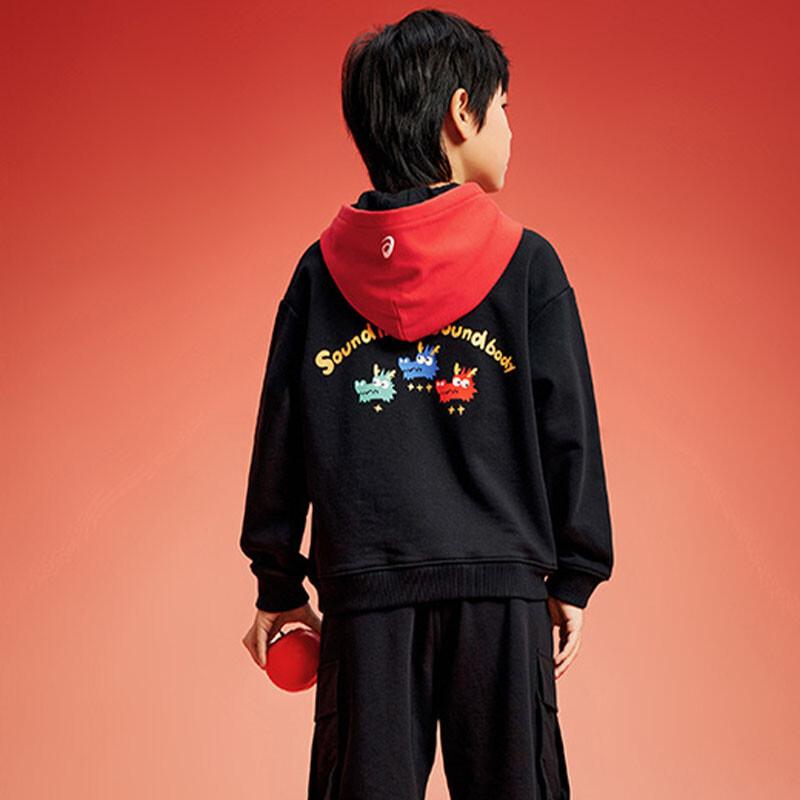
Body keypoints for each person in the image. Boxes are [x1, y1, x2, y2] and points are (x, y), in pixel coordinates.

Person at [239, 9, 613, 799]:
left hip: (366, 597)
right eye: (504, 107)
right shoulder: (528, 267)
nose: (510, 128)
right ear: (461, 112)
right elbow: (569, 430)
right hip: (500, 596)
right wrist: (575, 574)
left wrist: (279, 583)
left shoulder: (319, 273)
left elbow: (282, 434)